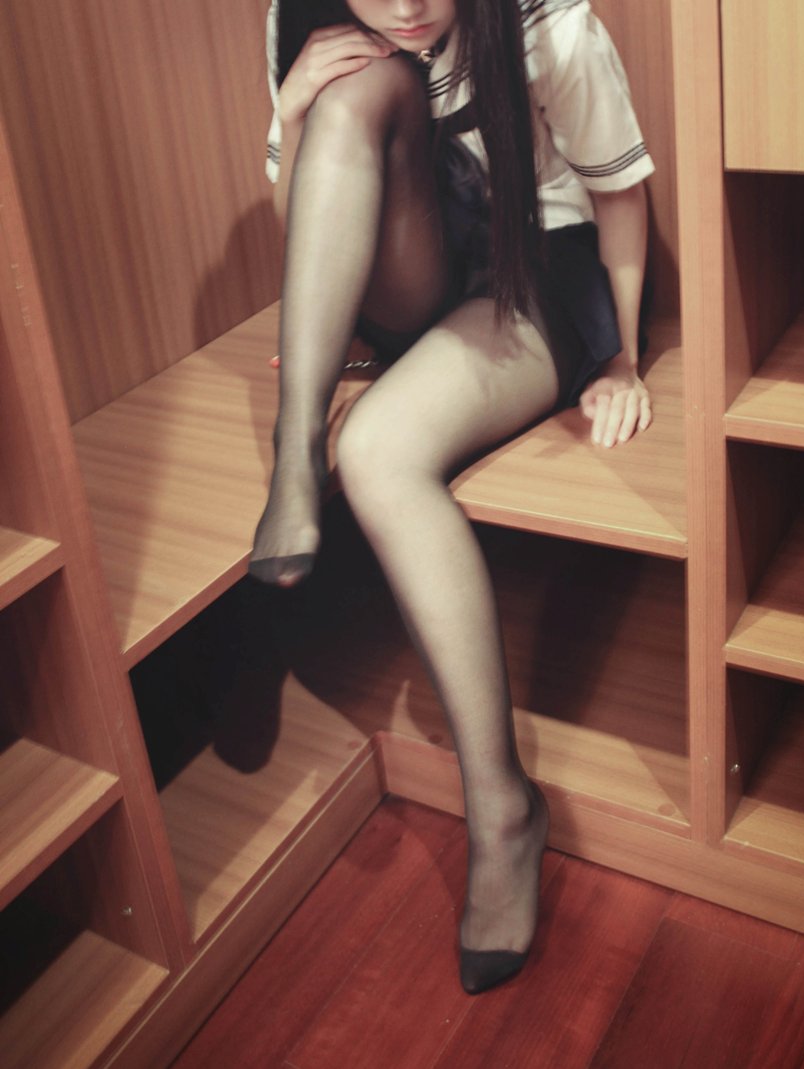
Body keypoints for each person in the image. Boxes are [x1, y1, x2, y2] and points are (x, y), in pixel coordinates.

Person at [250, 0, 654, 994]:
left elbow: (620, 192)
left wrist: (625, 357)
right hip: (413, 275)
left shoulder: (546, 22)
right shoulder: (304, 19)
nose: (406, 6)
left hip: (532, 271)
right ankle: (295, 437)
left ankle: (503, 810)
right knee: (354, 91)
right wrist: (295, 114)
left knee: (377, 453)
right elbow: (306, 224)